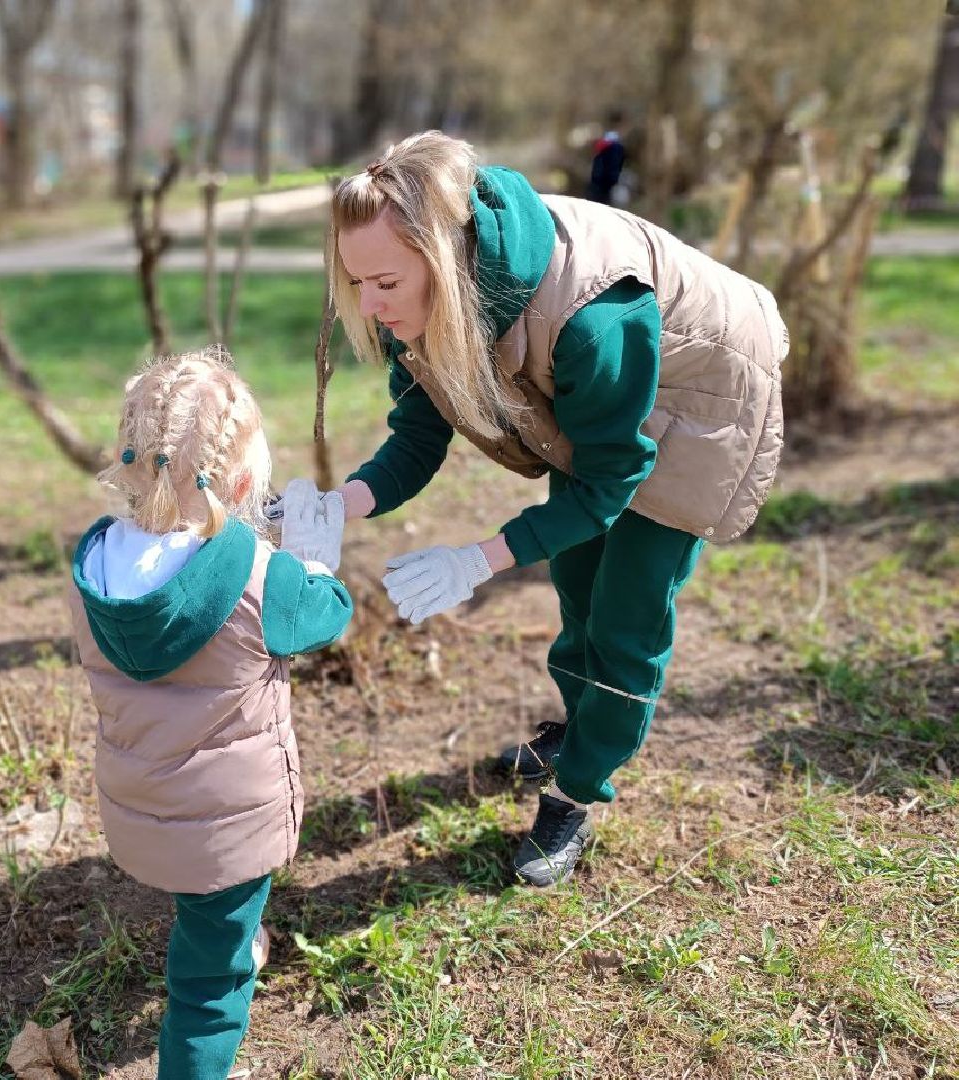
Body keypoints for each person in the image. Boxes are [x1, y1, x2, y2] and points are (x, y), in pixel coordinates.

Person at [273, 130, 787, 887]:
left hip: (701, 393)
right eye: (356, 284)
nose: (370, 306)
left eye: (383, 282)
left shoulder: (593, 319)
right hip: (610, 397)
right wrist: (336, 504)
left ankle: (577, 790)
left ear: (443, 261)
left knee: (626, 614)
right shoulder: (426, 302)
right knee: (576, 581)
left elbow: (608, 482)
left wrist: (477, 561)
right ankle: (579, 729)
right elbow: (417, 438)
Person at [67, 347, 353, 1078]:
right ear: (247, 482)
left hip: (141, 806)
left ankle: (232, 932)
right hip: (229, 826)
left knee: (207, 910)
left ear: (127, 462)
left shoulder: (90, 567)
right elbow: (327, 613)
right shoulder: (263, 577)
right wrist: (314, 561)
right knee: (207, 987)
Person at [587, 110, 626, 205]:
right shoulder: (615, 143)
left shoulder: (604, 140)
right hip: (607, 185)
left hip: (598, 182)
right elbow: (614, 165)